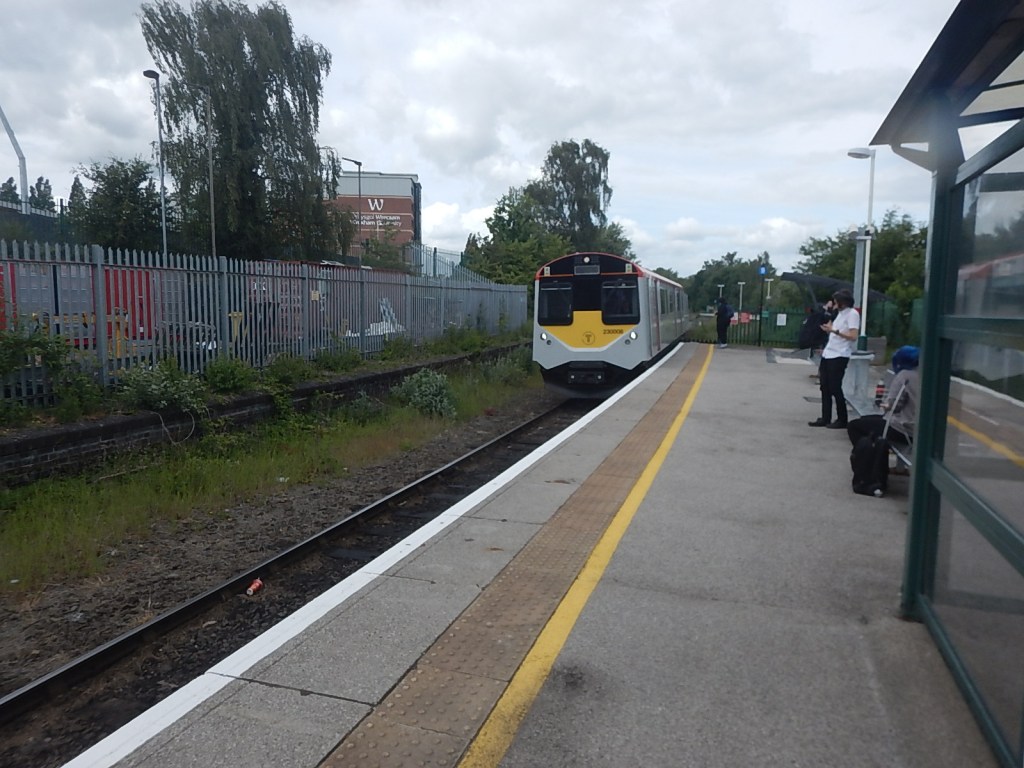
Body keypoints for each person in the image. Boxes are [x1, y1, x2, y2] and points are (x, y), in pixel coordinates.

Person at [846, 346, 920, 446]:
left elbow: (894, 405)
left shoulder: (904, 375)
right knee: (865, 418)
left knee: (853, 426)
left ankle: (868, 454)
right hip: (920, 429)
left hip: (903, 428)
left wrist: (885, 405)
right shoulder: (924, 374)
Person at [808, 289, 860, 429]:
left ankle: (842, 419)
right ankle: (825, 417)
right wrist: (829, 330)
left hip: (840, 355)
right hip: (829, 353)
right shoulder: (840, 314)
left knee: (835, 387)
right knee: (824, 386)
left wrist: (834, 331)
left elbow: (853, 336)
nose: (834, 304)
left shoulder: (852, 314)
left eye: (836, 301)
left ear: (843, 302)